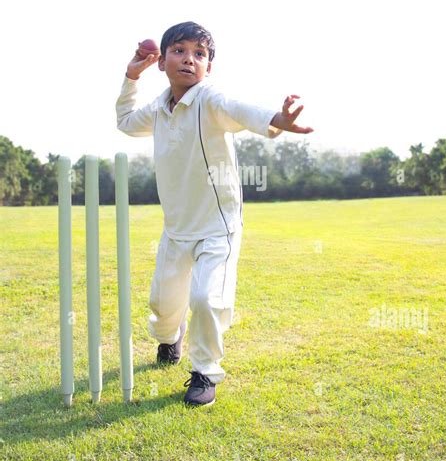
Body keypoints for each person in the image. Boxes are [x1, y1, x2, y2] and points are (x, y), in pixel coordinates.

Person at [116, 21, 313, 407]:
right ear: (163, 61)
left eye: (199, 54)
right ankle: (170, 339)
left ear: (208, 66)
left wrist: (278, 120)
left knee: (206, 298)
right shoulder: (158, 109)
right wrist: (130, 76)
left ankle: (205, 371)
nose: (189, 59)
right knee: (162, 306)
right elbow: (124, 122)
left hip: (217, 227)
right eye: (179, 50)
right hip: (176, 228)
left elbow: (240, 109)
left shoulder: (209, 100)